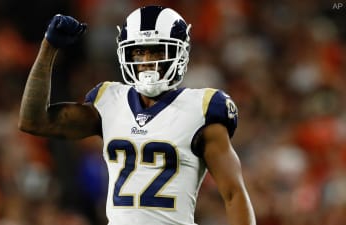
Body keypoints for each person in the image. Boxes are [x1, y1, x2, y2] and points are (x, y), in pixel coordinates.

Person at [18, 5, 256, 225]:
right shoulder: (109, 101)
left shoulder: (201, 108)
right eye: (139, 52)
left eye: (156, 51)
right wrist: (48, 49)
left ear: (179, 53)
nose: (146, 61)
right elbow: (34, 121)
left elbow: (234, 194)